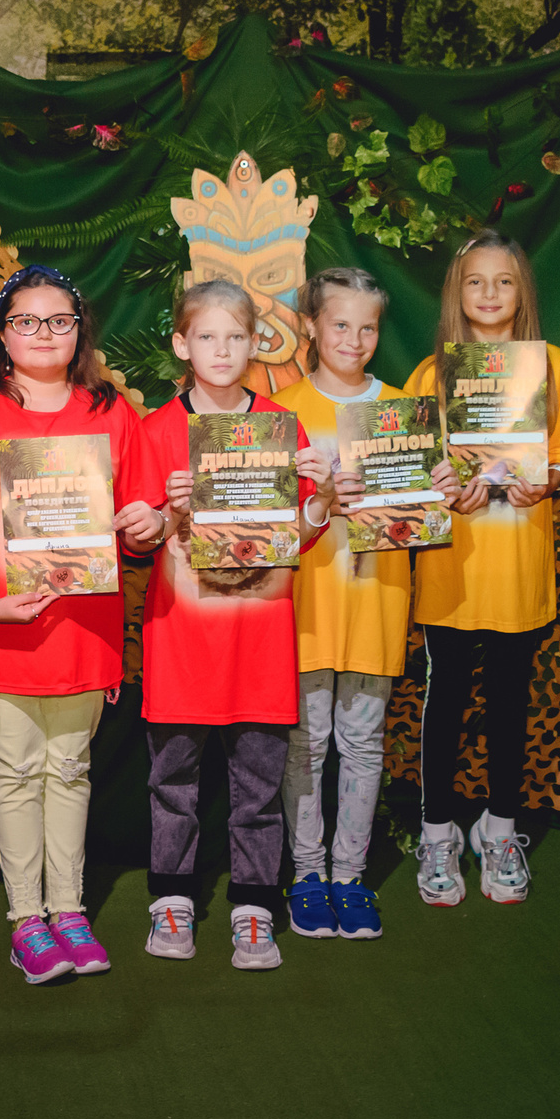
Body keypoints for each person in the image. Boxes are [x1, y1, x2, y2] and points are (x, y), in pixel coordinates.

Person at [0, 266, 163, 984]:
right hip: (3, 631)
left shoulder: (109, 410)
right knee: (13, 772)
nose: (42, 333)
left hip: (85, 629)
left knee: (71, 769)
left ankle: (70, 910)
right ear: (2, 335)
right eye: (26, 321)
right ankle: (25, 920)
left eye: (58, 320)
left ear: (79, 330)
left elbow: (141, 521)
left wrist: (145, 523)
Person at [133, 279, 330, 971]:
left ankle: (253, 908)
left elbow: (301, 535)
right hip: (181, 642)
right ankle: (172, 898)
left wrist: (324, 498)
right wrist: (158, 513)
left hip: (261, 642)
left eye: (236, 337)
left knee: (257, 787)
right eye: (206, 336)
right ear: (183, 344)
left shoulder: (283, 426)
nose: (222, 349)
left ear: (257, 344)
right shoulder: (156, 429)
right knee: (173, 783)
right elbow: (137, 533)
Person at [407, 231, 560, 909]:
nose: (489, 294)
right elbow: (413, 468)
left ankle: (501, 828)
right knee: (446, 700)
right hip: (453, 568)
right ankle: (437, 830)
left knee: (512, 699)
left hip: (519, 567)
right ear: (457, 292)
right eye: (475, 281)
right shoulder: (431, 376)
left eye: (504, 281)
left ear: (523, 292)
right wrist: (444, 485)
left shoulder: (554, 366)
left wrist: (554, 477)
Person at [273, 268, 416, 942]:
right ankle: (305, 874)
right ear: (311, 327)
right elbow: (271, 525)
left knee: (362, 743)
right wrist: (321, 501)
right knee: (307, 745)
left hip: (378, 603)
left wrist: (437, 486)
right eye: (339, 325)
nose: (354, 339)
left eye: (367, 326)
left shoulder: (403, 409)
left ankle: (349, 876)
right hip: (305, 607)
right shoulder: (280, 412)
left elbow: (420, 518)